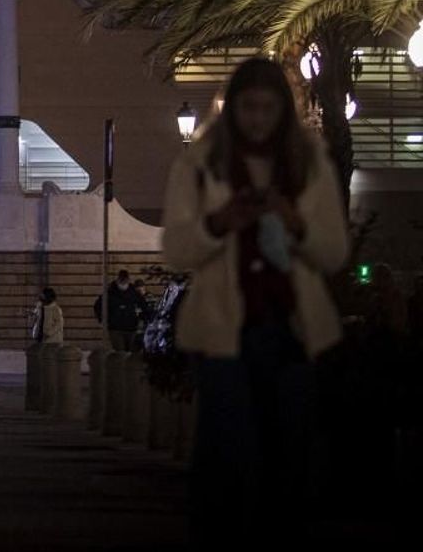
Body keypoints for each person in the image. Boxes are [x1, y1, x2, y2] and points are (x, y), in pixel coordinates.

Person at [161, 57, 347, 542]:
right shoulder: (200, 163)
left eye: (268, 108)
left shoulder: (309, 162)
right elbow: (177, 249)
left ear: (283, 110)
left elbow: (333, 252)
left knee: (289, 459)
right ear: (232, 109)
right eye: (248, 108)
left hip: (291, 328)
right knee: (226, 456)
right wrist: (219, 223)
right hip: (223, 329)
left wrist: (295, 221)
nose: (258, 119)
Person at [94, 269, 151, 351]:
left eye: (125, 280)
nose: (123, 283)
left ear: (128, 280)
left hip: (131, 328)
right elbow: (98, 306)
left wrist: (144, 319)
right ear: (118, 280)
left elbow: (144, 307)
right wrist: (102, 319)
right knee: (121, 353)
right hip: (115, 328)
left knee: (131, 353)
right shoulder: (110, 293)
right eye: (122, 280)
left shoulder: (133, 293)